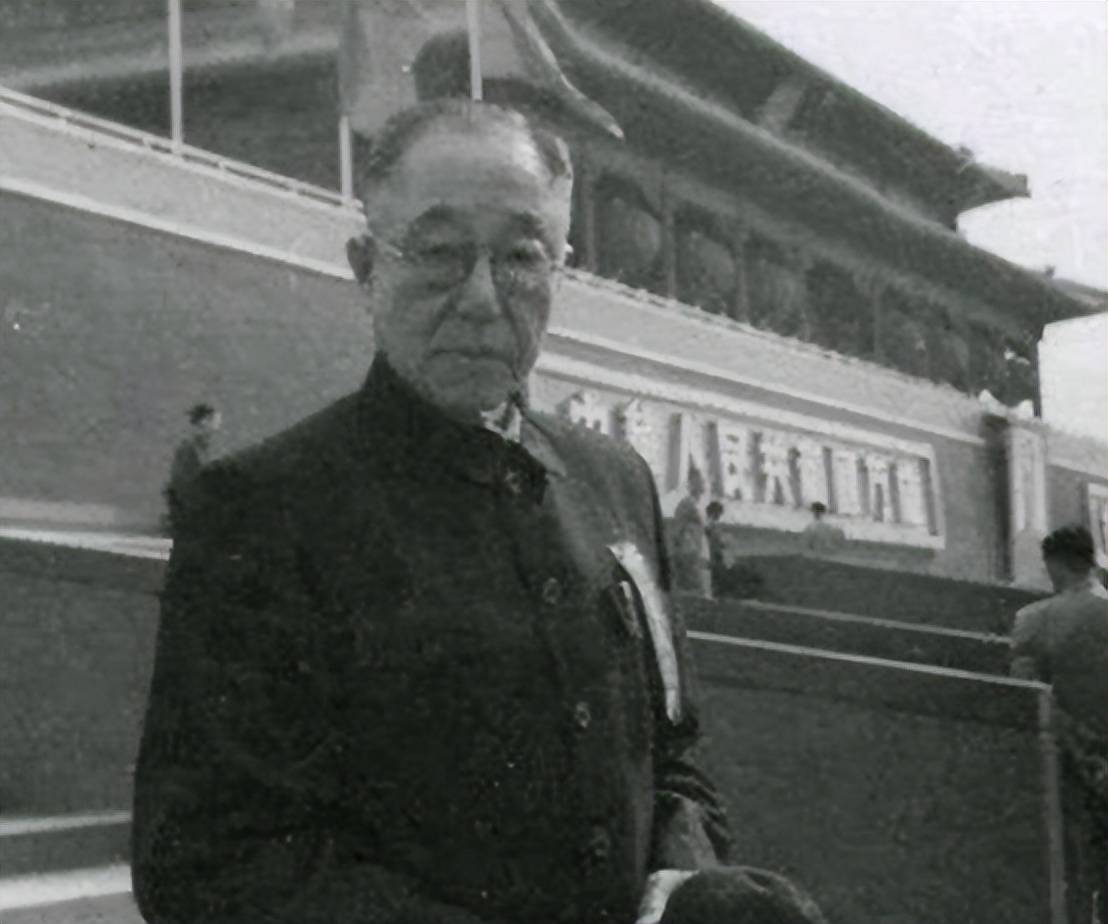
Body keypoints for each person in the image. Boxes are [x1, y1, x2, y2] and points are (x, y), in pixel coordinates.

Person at [132, 99, 826, 924]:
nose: (482, 298)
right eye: (438, 252)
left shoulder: (615, 483)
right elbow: (207, 860)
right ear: (366, 267)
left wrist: (684, 875)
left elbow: (673, 755)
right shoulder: (263, 509)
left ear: (559, 271)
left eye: (522, 256)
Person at [1010, 525, 1108, 920]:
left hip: (1067, 762)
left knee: (1074, 868)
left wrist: (1081, 749)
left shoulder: (1033, 619)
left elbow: (1025, 698)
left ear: (1053, 564)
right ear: (1092, 562)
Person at [162, 403, 221, 530]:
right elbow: (182, 481)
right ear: (204, 422)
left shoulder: (201, 447)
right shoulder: (190, 448)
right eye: (215, 421)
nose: (217, 426)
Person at [670, 465, 713, 598]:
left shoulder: (700, 504)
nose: (702, 485)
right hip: (690, 546)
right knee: (694, 578)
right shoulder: (686, 504)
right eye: (699, 481)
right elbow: (678, 528)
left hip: (699, 544)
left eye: (702, 481)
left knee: (703, 573)